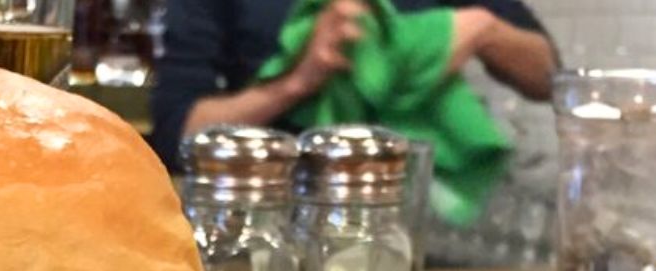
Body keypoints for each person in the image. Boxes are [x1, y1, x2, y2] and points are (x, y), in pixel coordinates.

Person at [150, 0, 558, 172]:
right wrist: (297, 81)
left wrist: (486, 29)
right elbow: (177, 135)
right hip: (266, 233)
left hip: (406, 227)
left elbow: (548, 76)